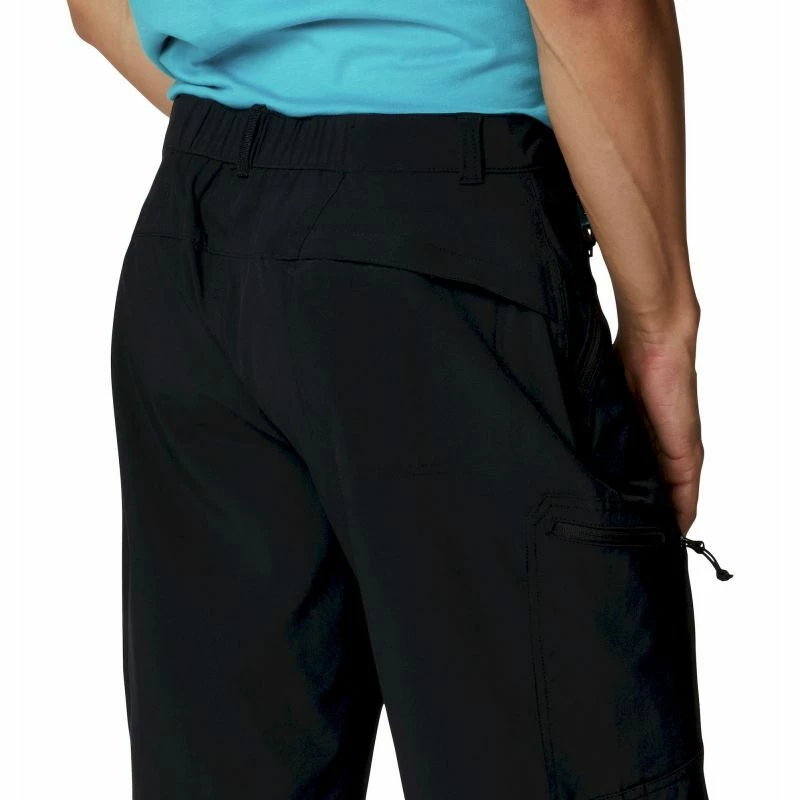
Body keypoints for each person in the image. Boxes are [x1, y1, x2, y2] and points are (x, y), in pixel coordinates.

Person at [68, 1, 731, 797]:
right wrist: (660, 326)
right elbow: (591, 7)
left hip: (198, 243)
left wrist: (271, 150)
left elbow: (94, 10)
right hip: (446, 240)